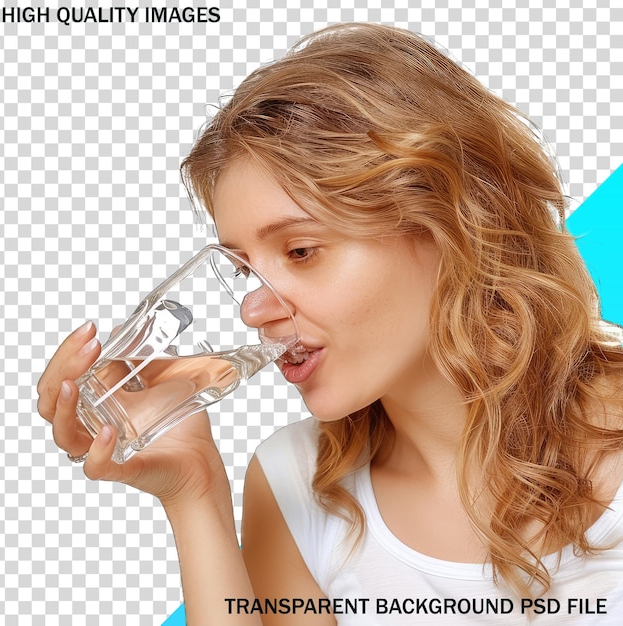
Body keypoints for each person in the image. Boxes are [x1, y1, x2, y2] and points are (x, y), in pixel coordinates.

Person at [37, 23, 623, 624]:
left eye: (300, 252)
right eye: (243, 271)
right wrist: (194, 494)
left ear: (450, 226)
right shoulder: (296, 486)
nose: (253, 310)